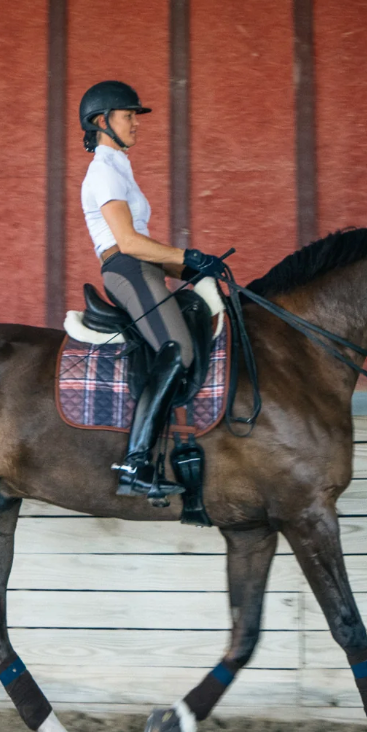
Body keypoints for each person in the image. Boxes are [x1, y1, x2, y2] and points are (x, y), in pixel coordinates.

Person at [79, 80, 225, 499]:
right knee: (177, 348)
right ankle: (135, 461)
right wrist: (187, 255)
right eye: (128, 116)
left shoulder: (120, 167)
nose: (135, 124)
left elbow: (145, 244)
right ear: (101, 121)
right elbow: (127, 242)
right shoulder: (103, 171)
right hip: (127, 268)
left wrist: (195, 267)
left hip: (142, 266)